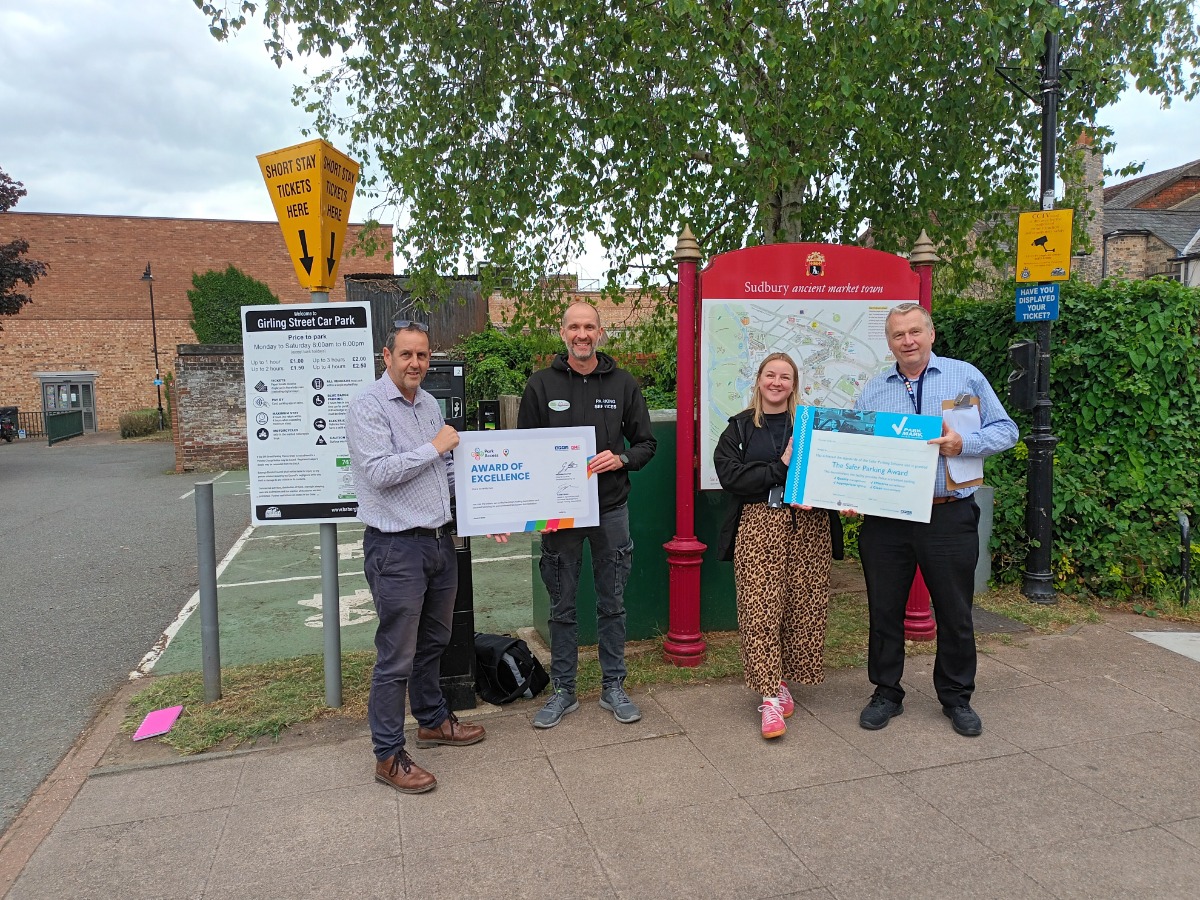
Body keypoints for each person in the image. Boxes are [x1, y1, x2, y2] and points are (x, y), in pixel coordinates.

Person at [853, 302, 1018, 737]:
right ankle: (886, 693)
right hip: (886, 520)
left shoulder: (965, 376)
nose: (907, 341)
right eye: (897, 335)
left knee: (955, 610)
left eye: (914, 332)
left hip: (948, 514)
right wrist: (850, 492)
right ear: (889, 342)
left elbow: (1007, 430)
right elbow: (859, 452)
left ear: (930, 334)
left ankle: (956, 697)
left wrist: (964, 443)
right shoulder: (872, 391)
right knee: (884, 610)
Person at [346, 319, 487, 794]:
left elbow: (445, 473)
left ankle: (430, 719)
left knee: (436, 640)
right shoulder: (367, 406)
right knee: (395, 656)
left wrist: (478, 513)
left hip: (437, 542)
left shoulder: (429, 404)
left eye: (422, 355)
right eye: (406, 355)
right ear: (386, 357)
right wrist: (434, 446)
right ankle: (387, 755)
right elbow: (380, 472)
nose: (415, 364)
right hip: (395, 548)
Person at [517, 301, 657, 729]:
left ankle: (613, 685)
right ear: (562, 333)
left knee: (611, 601)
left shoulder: (622, 383)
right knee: (561, 604)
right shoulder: (540, 385)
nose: (582, 334)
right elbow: (525, 453)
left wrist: (621, 459)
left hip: (610, 510)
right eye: (574, 327)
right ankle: (564, 690)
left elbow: (646, 444)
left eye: (589, 326)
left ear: (600, 332)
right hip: (559, 516)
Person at [713, 353, 844, 740]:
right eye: (770, 375)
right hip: (759, 524)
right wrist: (782, 465)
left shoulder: (812, 425)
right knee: (760, 610)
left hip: (809, 525)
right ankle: (769, 698)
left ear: (794, 383)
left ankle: (783, 679)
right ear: (758, 380)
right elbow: (730, 476)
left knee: (802, 607)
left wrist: (826, 497)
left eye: (784, 377)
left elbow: (831, 472)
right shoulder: (738, 428)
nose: (776, 382)